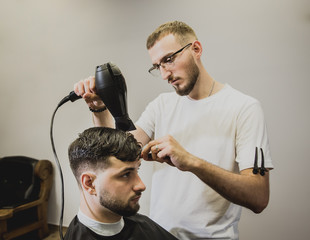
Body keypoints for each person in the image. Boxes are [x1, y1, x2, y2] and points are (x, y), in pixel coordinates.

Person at [73, 21, 274, 240]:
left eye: (169, 59)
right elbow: (115, 155)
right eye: (157, 66)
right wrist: (100, 108)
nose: (164, 74)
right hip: (158, 235)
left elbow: (258, 197)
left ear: (196, 49)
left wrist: (190, 161)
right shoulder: (162, 105)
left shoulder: (244, 108)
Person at [65, 127, 178, 240]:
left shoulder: (144, 225)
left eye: (136, 170)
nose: (141, 185)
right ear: (89, 183)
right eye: (125, 174)